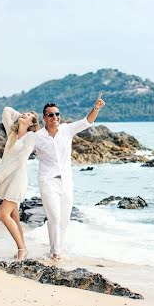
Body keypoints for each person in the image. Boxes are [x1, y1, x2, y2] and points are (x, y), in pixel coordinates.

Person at [35, 96, 105, 259]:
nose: (55, 117)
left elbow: (87, 122)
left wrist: (96, 108)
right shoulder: (37, 137)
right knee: (54, 216)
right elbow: (22, 153)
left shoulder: (67, 129)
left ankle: (58, 248)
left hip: (66, 181)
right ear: (44, 118)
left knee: (64, 219)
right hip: (47, 181)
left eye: (57, 114)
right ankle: (55, 252)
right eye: (51, 115)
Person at [0, 107, 41, 260]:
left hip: (17, 180)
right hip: (8, 178)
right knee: (15, 217)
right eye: (24, 113)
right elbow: (6, 110)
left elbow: (21, 160)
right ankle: (23, 248)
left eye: (28, 116)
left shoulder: (31, 136)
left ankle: (21, 250)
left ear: (32, 124)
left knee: (3, 214)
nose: (24, 115)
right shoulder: (12, 134)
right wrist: (23, 118)